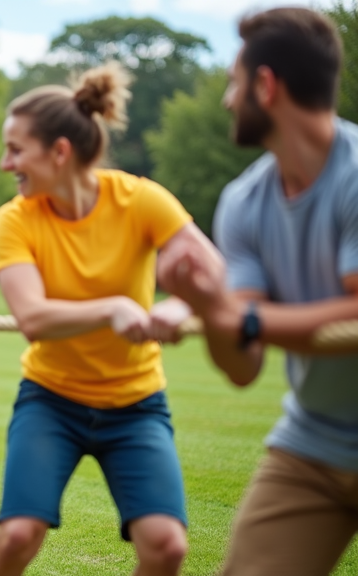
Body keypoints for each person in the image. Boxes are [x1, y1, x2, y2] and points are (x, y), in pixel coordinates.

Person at [0, 62, 224, 576]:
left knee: (167, 546)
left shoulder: (140, 199)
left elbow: (212, 273)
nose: (5, 163)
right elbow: (33, 316)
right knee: (19, 535)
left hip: (136, 404)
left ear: (59, 152)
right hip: (51, 401)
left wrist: (175, 308)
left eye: (16, 149)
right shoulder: (15, 218)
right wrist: (114, 308)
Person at [157, 9, 358, 576]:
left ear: (266, 87)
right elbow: (243, 363)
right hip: (314, 442)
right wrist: (205, 307)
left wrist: (238, 318)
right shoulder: (243, 202)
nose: (226, 99)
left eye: (233, 82)